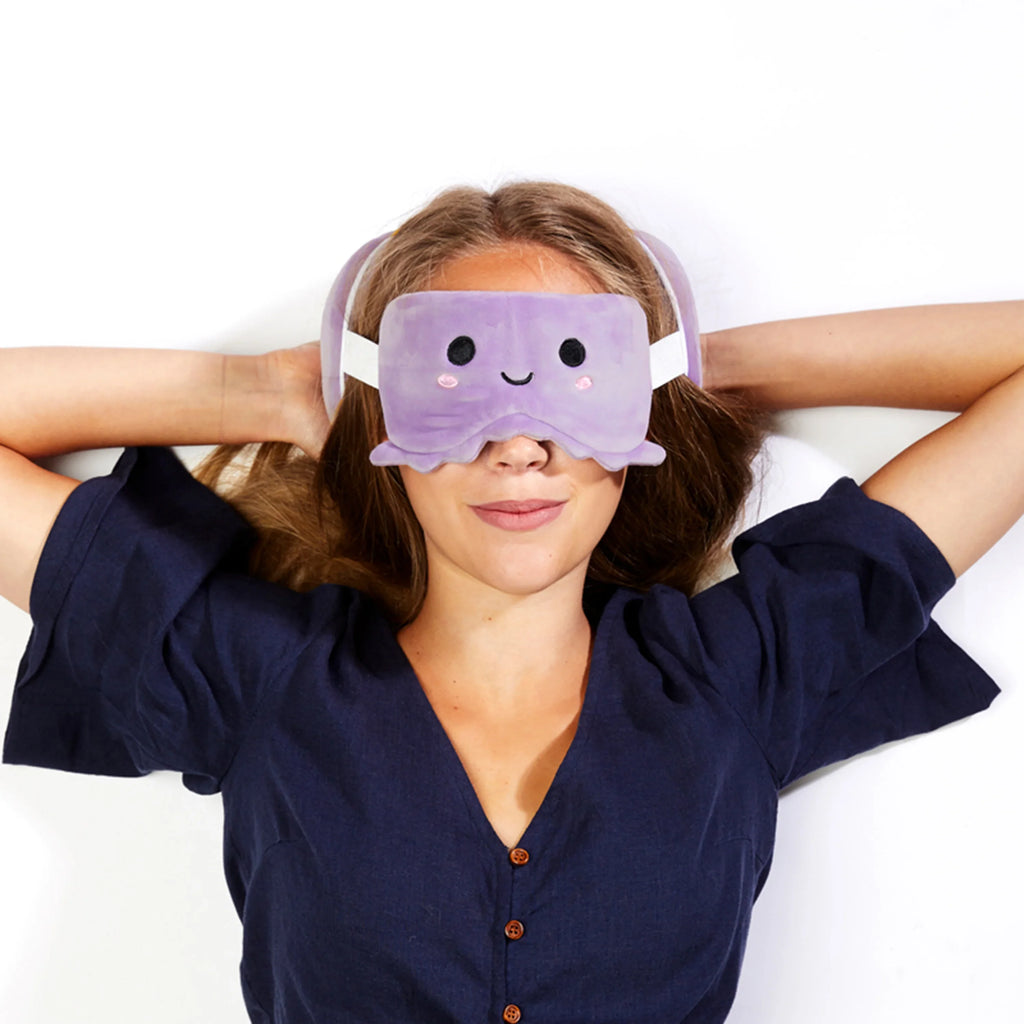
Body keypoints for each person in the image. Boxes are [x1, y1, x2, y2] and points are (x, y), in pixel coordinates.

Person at [0, 181, 1020, 1023]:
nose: (519, 441)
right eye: (456, 377)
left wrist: (693, 369)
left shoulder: (742, 673)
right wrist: (265, 392)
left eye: (579, 379)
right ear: (384, 422)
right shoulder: (260, 676)